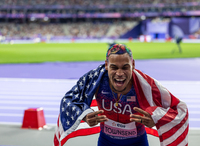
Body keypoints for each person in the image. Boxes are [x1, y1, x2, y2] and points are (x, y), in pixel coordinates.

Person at [54, 44, 188, 146]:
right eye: (114, 67)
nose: (119, 73)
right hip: (106, 141)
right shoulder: (95, 80)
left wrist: (156, 119)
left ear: (133, 65)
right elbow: (69, 99)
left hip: (137, 142)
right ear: (106, 65)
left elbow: (179, 109)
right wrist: (84, 115)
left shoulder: (146, 85)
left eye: (125, 67)